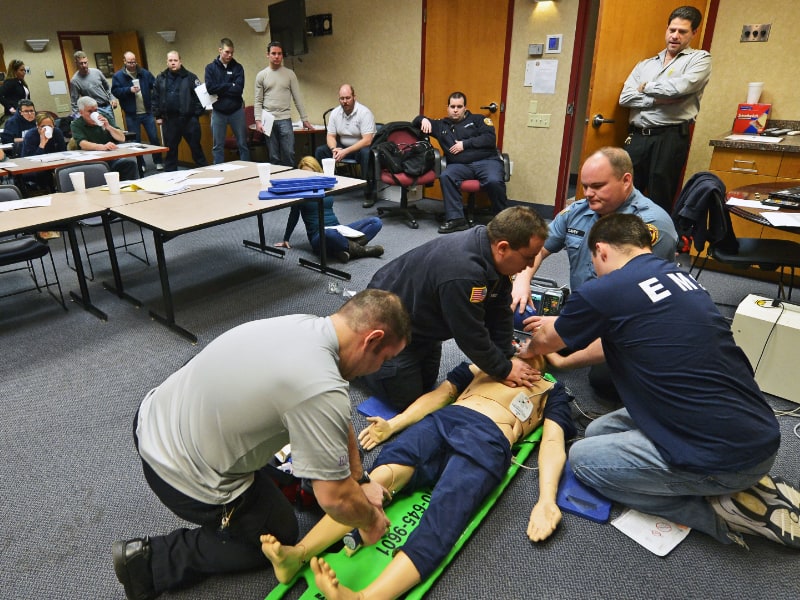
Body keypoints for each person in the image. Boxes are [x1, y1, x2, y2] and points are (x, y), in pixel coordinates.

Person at [112, 289, 412, 600]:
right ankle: (149, 562)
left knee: (299, 473)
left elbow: (337, 418)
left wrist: (360, 480)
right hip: (177, 474)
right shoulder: (320, 387)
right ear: (373, 340)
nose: (380, 369)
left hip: (153, 417)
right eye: (385, 359)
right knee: (279, 534)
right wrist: (370, 519)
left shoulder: (306, 326)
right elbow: (335, 500)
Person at [526, 213, 800, 551]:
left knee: (583, 460)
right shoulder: (679, 277)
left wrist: (529, 349)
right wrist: (565, 354)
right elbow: (617, 338)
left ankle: (720, 513)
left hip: (729, 456)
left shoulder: (604, 289)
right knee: (596, 431)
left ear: (600, 250)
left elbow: (545, 341)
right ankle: (742, 487)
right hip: (756, 430)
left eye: (593, 261)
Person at [260, 349, 576, 600]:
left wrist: (547, 500)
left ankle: (366, 598)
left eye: (543, 341)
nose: (531, 345)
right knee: (377, 479)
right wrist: (393, 425)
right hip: (444, 421)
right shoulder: (486, 360)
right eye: (528, 339)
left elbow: (552, 441)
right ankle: (297, 555)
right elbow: (439, 395)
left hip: (489, 439)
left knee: (445, 513)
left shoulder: (552, 390)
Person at [510, 147, 677, 402]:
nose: (588, 193)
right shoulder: (578, 210)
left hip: (629, 317)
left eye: (598, 186)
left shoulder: (652, 225)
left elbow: (634, 298)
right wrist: (521, 282)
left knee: (603, 382)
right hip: (587, 308)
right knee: (534, 328)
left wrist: (569, 325)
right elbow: (539, 248)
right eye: (585, 185)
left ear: (626, 180)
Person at [364, 205, 548, 410]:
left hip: (421, 326)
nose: (531, 264)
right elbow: (470, 333)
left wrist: (506, 356)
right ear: (503, 247)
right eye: (528, 257)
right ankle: (362, 358)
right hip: (386, 326)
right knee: (408, 402)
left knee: (428, 387)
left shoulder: (490, 250)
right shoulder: (464, 273)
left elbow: (499, 311)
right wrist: (504, 370)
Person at [619, 5, 711, 213]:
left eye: (682, 31)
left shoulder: (699, 59)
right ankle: (620, 242)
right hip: (638, 136)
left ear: (694, 33)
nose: (675, 36)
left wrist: (646, 88)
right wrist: (655, 101)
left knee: (660, 197)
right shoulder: (646, 64)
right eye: (672, 30)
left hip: (669, 137)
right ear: (666, 29)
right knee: (623, 192)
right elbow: (625, 97)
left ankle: (656, 243)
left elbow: (679, 88)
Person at [412, 92, 508, 233]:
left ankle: (503, 219)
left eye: (459, 106)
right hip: (460, 165)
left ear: (465, 108)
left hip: (486, 161)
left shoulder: (478, 120)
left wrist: (465, 144)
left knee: (494, 180)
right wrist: (423, 119)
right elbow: (414, 122)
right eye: (452, 106)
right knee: (446, 176)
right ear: (448, 108)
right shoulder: (440, 125)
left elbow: (489, 139)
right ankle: (456, 219)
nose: (455, 110)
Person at [275, 156, 384, 263]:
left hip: (339, 229)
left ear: (317, 172)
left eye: (312, 173)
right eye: (305, 174)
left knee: (376, 222)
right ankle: (362, 250)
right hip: (319, 235)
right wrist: (286, 239)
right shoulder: (299, 193)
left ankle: (342, 249)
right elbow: (293, 217)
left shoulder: (326, 186)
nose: (309, 177)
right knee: (329, 233)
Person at [253, 41, 312, 167]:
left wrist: (304, 119)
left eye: (279, 54)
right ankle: (277, 182)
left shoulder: (290, 74)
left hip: (285, 119)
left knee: (289, 153)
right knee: (273, 155)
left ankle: (289, 181)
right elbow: (258, 101)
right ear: (267, 55)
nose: (276, 56)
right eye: (273, 53)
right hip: (268, 119)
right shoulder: (261, 75)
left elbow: (297, 98)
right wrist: (258, 120)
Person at [315, 84, 376, 201]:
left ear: (354, 97)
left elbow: (368, 140)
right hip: (342, 146)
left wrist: (345, 151)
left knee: (366, 153)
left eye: (348, 98)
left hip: (361, 147)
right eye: (342, 98)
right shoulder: (335, 113)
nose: (345, 101)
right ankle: (327, 186)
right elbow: (331, 135)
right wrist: (334, 149)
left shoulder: (364, 113)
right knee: (320, 151)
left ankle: (369, 193)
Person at [152, 51, 208, 172]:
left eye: (175, 60)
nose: (173, 63)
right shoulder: (160, 78)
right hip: (170, 121)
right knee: (170, 152)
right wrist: (158, 115)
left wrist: (195, 114)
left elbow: (201, 97)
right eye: (170, 61)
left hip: (189, 121)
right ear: (167, 62)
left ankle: (206, 173)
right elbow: (155, 98)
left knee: (196, 149)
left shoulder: (190, 77)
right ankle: (170, 177)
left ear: (180, 61)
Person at [111, 51, 164, 172]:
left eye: (134, 61)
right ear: (124, 61)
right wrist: (128, 90)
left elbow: (155, 86)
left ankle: (158, 161)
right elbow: (115, 91)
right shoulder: (118, 76)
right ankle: (141, 164)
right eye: (129, 62)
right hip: (131, 114)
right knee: (136, 142)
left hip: (147, 112)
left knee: (154, 138)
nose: (132, 64)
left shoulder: (144, 73)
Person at [204, 37, 250, 164]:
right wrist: (230, 85)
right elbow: (210, 89)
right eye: (227, 52)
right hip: (219, 112)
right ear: (220, 50)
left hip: (236, 111)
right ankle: (219, 171)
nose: (230, 55)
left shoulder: (238, 67)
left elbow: (238, 89)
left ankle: (247, 169)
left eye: (232, 52)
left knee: (242, 143)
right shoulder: (210, 68)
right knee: (217, 145)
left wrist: (221, 88)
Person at [70, 96, 138, 181]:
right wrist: (103, 147)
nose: (93, 114)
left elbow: (122, 138)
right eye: (90, 111)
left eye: (95, 110)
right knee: (100, 169)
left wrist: (108, 127)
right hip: (91, 160)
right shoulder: (76, 124)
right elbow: (83, 143)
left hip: (111, 158)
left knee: (129, 164)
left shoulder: (105, 117)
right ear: (81, 112)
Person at [20, 112, 67, 194]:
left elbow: (63, 152)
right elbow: (32, 160)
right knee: (45, 174)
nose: (46, 129)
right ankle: (50, 192)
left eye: (50, 126)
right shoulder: (30, 135)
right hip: (34, 168)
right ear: (37, 126)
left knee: (65, 170)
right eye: (42, 126)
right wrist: (42, 144)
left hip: (53, 163)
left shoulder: (57, 132)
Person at [70, 50, 118, 127]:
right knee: (100, 129)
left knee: (113, 128)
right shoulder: (75, 81)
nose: (84, 65)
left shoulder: (97, 72)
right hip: (94, 110)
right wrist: (78, 116)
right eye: (81, 63)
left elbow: (107, 87)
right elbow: (74, 101)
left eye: (85, 62)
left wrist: (112, 98)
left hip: (107, 106)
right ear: (76, 63)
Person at [0, 59, 31, 127]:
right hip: (14, 116)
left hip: (25, 114)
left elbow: (27, 100)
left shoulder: (22, 83)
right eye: (21, 70)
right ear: (14, 71)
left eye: (24, 70)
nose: (24, 72)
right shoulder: (10, 82)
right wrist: (10, 108)